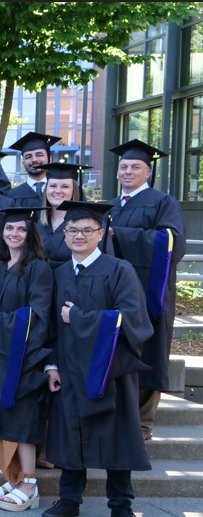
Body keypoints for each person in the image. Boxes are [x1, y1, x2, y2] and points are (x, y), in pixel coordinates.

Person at [41, 200, 153, 517]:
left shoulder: (119, 269)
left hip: (110, 369)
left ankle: (121, 504)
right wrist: (51, 365)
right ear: (64, 234)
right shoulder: (60, 273)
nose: (79, 235)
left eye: (87, 230)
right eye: (72, 230)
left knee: (115, 435)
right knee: (71, 431)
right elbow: (52, 326)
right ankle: (69, 498)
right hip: (70, 368)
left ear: (101, 234)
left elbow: (132, 320)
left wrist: (78, 317)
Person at [107, 139, 185, 441]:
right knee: (116, 348)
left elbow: (171, 241)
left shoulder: (163, 202)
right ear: (117, 172)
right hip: (114, 292)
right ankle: (115, 415)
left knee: (149, 348)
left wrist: (120, 234)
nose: (128, 171)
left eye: (135, 167)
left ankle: (142, 422)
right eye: (124, 167)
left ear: (148, 172)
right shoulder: (110, 206)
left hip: (149, 291)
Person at [0, 206, 53, 511]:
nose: (14, 234)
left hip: (23, 355)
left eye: (21, 229)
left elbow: (38, 315)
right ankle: (13, 477)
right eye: (9, 228)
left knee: (23, 419)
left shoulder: (38, 269)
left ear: (30, 234)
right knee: (5, 416)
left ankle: (30, 484)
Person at [34, 162, 92, 271]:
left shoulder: (89, 225)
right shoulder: (38, 223)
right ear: (46, 189)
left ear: (74, 190)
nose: (58, 191)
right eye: (53, 186)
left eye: (65, 186)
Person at [5, 132, 61, 208]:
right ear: (23, 163)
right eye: (28, 157)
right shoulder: (11, 196)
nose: (34, 160)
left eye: (39, 155)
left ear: (50, 159)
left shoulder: (61, 192)